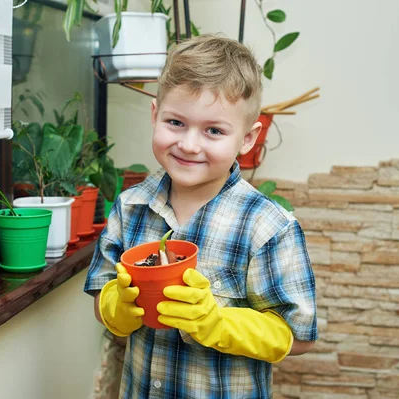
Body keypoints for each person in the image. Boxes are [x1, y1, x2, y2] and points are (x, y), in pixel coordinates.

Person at [84, 33, 317, 398]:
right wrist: (119, 305)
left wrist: (217, 323)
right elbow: (101, 301)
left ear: (247, 138)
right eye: (176, 122)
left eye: (213, 130)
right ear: (155, 115)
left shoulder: (268, 226)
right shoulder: (129, 207)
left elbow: (298, 336)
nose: (189, 144)